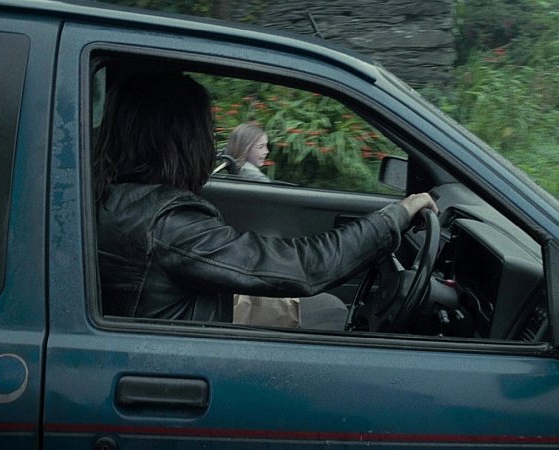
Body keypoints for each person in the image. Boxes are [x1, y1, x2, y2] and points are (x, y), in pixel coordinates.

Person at [93, 71, 437, 328]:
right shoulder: (165, 223)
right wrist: (393, 217)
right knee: (330, 313)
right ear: (182, 139)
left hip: (191, 316)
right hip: (187, 353)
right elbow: (303, 268)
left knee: (327, 308)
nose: (211, 142)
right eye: (208, 131)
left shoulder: (119, 199)